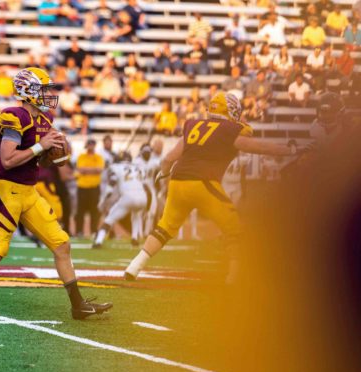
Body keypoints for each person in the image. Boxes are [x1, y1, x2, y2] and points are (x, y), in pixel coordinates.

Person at [0, 67, 112, 320]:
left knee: (62, 244)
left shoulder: (44, 120)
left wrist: (58, 154)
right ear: (27, 91)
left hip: (29, 192)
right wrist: (41, 146)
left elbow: (42, 161)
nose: (47, 94)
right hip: (7, 190)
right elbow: (8, 160)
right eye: (42, 89)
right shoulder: (14, 115)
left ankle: (78, 305)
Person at [124, 92, 298, 283]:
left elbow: (169, 158)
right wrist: (288, 149)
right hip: (204, 183)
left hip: (178, 181)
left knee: (164, 228)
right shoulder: (231, 129)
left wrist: (164, 174)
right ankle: (234, 278)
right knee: (234, 228)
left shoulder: (194, 125)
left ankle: (134, 266)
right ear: (232, 110)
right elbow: (258, 147)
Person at [93, 154, 147, 248]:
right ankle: (135, 238)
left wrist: (102, 201)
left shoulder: (115, 167)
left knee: (110, 219)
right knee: (136, 213)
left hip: (128, 197)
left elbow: (111, 186)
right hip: (143, 197)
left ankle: (98, 241)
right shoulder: (138, 167)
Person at [75, 138, 105, 238]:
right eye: (89, 144)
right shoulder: (81, 156)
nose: (91, 146)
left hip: (94, 187)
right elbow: (80, 169)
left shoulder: (98, 157)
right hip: (82, 187)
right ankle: (79, 231)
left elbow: (99, 170)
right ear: (86, 145)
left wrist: (86, 170)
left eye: (92, 144)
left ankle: (93, 231)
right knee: (80, 211)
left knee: (94, 210)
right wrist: (93, 170)